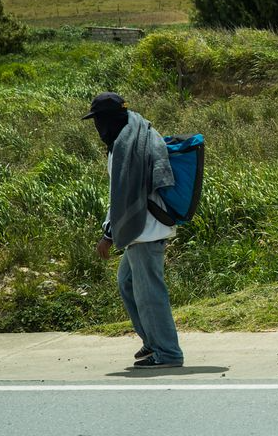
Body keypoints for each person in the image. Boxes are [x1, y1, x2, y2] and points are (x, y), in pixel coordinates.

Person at [84, 92, 184, 369]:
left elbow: (123, 196)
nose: (98, 127)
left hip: (144, 230)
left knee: (150, 294)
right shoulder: (139, 132)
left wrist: (108, 235)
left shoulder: (125, 145)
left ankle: (168, 353)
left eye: (99, 120)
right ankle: (153, 342)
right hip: (146, 227)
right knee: (127, 283)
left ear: (108, 120)